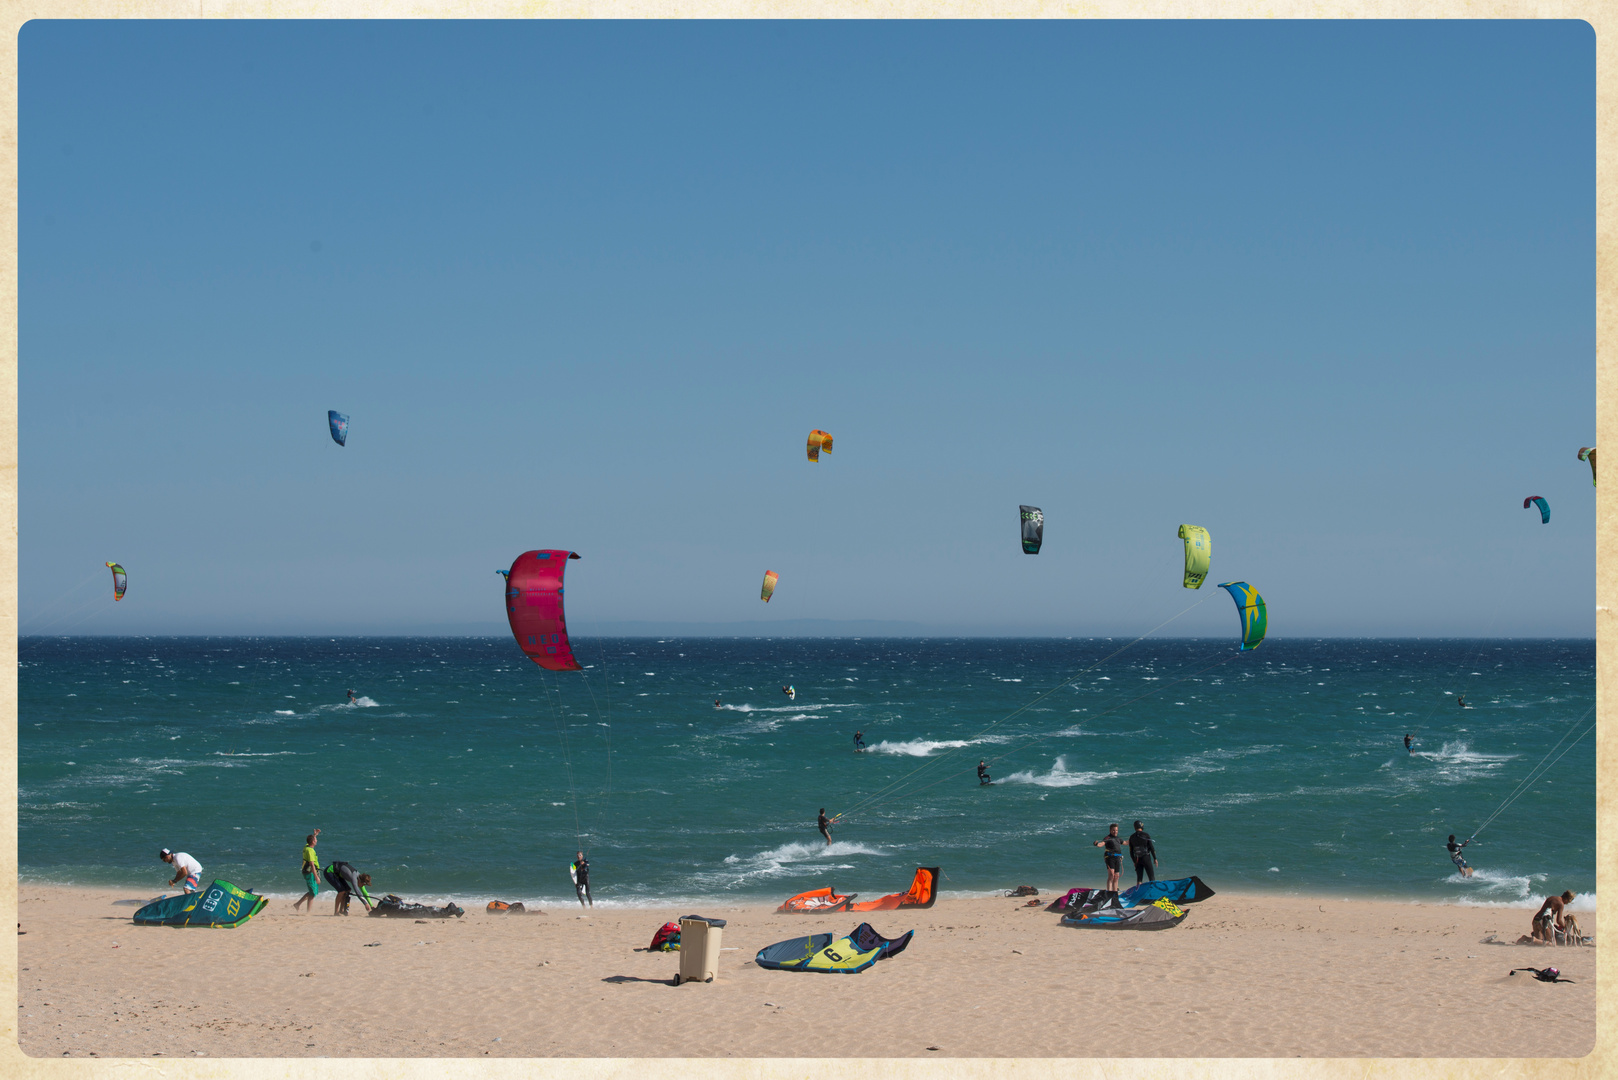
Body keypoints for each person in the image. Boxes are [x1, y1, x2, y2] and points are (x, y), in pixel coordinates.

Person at [293, 830, 322, 913]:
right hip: (310, 872)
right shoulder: (310, 851)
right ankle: (308, 912)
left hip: (309, 872)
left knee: (312, 892)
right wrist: (316, 877)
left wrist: (315, 835)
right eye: (315, 840)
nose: (316, 841)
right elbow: (312, 865)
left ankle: (297, 904)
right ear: (313, 842)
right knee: (312, 893)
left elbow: (310, 842)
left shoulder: (306, 847)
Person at [1093, 824, 1126, 891]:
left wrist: (1133, 839)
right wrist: (1096, 844)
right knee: (1111, 876)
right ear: (1110, 830)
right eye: (1113, 830)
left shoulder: (1118, 838)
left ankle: (1114, 893)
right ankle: (1109, 892)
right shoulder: (1107, 838)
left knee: (1116, 877)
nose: (1115, 831)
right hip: (1110, 858)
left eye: (1116, 830)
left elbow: (1125, 842)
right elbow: (1101, 844)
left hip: (1117, 858)